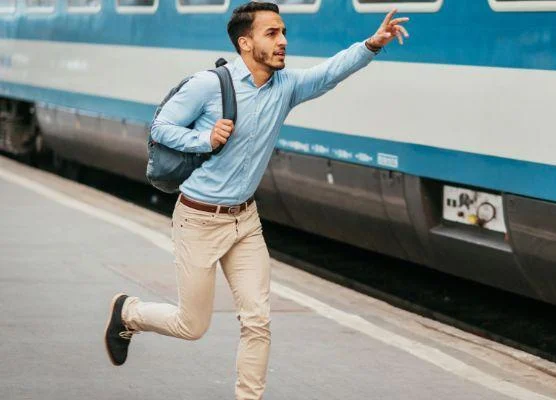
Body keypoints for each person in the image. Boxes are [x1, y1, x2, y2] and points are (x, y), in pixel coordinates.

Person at [103, 2, 410, 399]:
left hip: (244, 222)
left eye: (283, 33)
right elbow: (160, 128)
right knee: (191, 325)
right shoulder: (208, 85)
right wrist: (204, 139)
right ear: (245, 43)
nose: (283, 42)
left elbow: (331, 72)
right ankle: (128, 312)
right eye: (272, 34)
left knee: (257, 321)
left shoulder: (286, 87)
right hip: (198, 220)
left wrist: (372, 44)